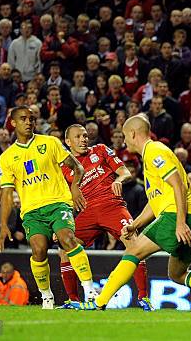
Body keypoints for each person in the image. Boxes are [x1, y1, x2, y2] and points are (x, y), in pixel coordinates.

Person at [70, 114, 191, 312]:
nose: (124, 141)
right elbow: (155, 201)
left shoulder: (154, 150)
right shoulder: (150, 156)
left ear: (133, 134)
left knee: (133, 252)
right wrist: (135, 224)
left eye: (125, 136)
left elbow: (177, 184)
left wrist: (179, 222)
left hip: (176, 216)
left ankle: (98, 302)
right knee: (177, 274)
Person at [0, 106, 96, 309]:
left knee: (67, 238)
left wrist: (75, 187)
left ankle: (90, 290)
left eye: (32, 118)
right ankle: (47, 296)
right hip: (32, 211)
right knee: (39, 249)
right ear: (13, 123)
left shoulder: (50, 142)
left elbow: (77, 166)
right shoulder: (7, 157)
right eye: (23, 118)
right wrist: (3, 225)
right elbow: (7, 194)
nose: (29, 122)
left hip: (58, 202)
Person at [56, 124, 151, 311]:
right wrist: (60, 226)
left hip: (112, 207)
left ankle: (143, 297)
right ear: (67, 142)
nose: (83, 139)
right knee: (65, 248)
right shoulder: (63, 168)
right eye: (78, 137)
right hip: (86, 212)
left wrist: (118, 180)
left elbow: (125, 172)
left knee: (135, 244)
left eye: (85, 136)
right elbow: (62, 198)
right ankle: (73, 299)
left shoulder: (100, 150)